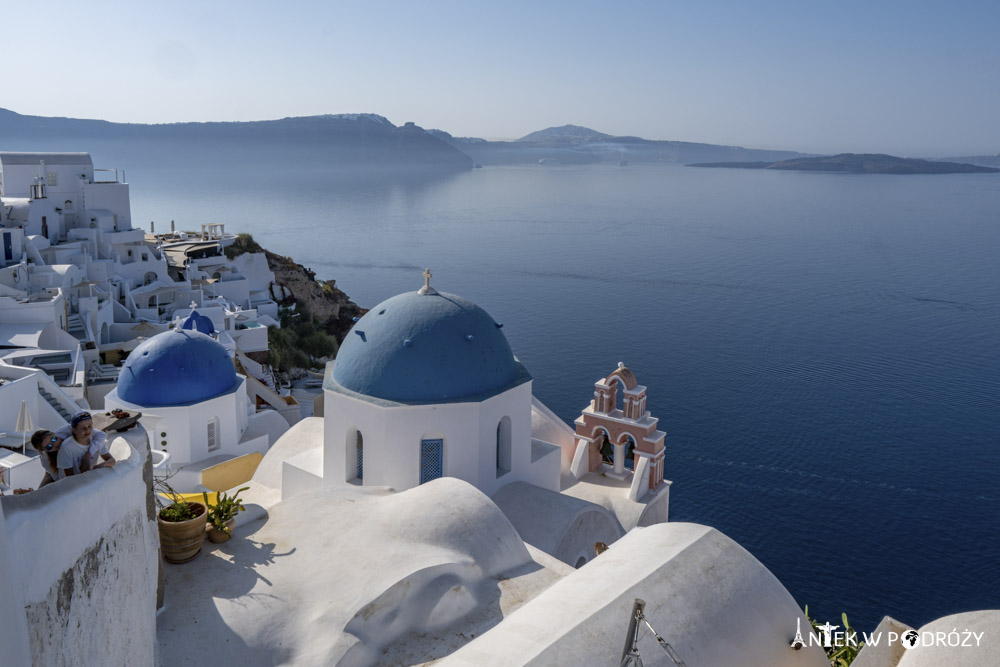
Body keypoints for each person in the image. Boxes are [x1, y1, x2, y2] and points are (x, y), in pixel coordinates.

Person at [56, 412, 115, 477]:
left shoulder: (96, 442)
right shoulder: (67, 447)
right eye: (83, 428)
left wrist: (98, 467)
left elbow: (112, 460)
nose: (87, 430)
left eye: (89, 426)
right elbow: (69, 477)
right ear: (74, 430)